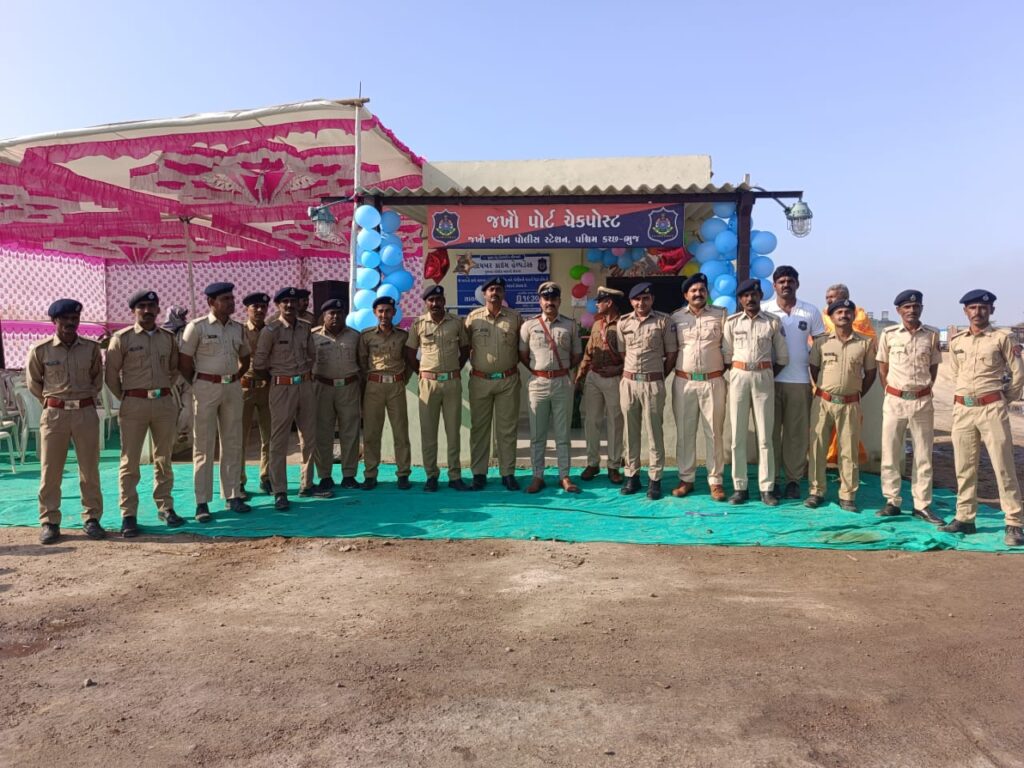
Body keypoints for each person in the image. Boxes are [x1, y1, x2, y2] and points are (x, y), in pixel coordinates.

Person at [940, 290, 1024, 546]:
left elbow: (1018, 374)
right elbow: (955, 373)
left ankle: (1014, 522)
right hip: (963, 410)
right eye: (973, 308)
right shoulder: (958, 341)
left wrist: (1003, 399)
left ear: (991, 311)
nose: (978, 312)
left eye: (983, 308)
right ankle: (965, 517)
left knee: (1003, 465)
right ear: (965, 311)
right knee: (964, 466)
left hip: (991, 409)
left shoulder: (1002, 338)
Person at [26, 299, 105, 544]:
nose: (71, 323)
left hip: (85, 412)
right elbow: (34, 383)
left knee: (89, 468)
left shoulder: (91, 349)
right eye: (66, 319)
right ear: (55, 321)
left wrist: (82, 398)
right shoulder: (41, 350)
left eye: (75, 318)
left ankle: (92, 518)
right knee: (50, 470)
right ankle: (50, 521)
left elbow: (97, 379)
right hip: (55, 415)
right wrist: (53, 402)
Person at [104, 290, 182, 537]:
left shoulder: (168, 338)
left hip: (163, 403)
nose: (147, 311)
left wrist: (163, 389)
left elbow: (174, 369)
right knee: (130, 461)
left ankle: (166, 507)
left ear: (158, 310)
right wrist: (127, 398)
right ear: (133, 311)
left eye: (151, 306)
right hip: (134, 404)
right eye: (142, 306)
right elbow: (111, 375)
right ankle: (128, 514)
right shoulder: (122, 338)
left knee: (164, 458)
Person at [179, 282, 252, 522]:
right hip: (205, 388)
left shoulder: (238, 328)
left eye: (232, 298)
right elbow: (184, 362)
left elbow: (245, 357)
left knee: (233, 441)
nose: (231, 302)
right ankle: (202, 502)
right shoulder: (196, 327)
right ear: (211, 302)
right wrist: (199, 383)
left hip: (232, 386)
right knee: (204, 445)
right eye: (225, 299)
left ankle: (233, 495)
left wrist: (235, 377)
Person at [875, 290, 944, 525]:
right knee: (890, 452)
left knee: (923, 454)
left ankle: (921, 504)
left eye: (916, 307)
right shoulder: (889, 334)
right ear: (899, 311)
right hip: (895, 400)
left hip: (922, 402)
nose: (912, 310)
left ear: (921, 308)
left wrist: (922, 389)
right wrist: (891, 391)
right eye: (907, 307)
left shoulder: (931, 335)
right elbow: (882, 367)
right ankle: (892, 501)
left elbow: (933, 368)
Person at [254, 286, 326, 510]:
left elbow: (312, 355)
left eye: (293, 302)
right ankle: (280, 491)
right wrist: (278, 379)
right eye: (285, 301)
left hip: (305, 385)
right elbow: (259, 364)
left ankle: (307, 484)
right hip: (281, 387)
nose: (290, 305)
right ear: (278, 305)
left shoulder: (305, 328)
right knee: (279, 440)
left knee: (309, 437)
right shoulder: (271, 330)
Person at [805, 298, 877, 512]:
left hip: (850, 404)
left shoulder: (865, 343)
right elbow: (814, 369)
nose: (844, 315)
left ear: (853, 316)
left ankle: (847, 495)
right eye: (839, 312)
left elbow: (870, 373)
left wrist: (855, 394)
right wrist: (827, 390)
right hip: (823, 402)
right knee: (817, 448)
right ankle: (816, 491)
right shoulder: (821, 342)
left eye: (847, 312)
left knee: (848, 450)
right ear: (832, 317)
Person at [722, 279, 788, 505]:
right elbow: (726, 355)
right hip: (738, 377)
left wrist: (765, 374)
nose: (750, 299)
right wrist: (742, 372)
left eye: (754, 294)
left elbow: (782, 357)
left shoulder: (772, 322)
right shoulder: (731, 323)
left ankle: (766, 488)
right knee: (737, 436)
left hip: (763, 378)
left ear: (760, 296)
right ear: (740, 299)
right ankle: (740, 487)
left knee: (765, 436)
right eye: (745, 295)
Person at [763, 265, 826, 498]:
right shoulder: (764, 310)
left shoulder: (810, 311)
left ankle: (793, 480)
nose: (786, 285)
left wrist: (818, 380)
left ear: (797, 284)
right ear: (774, 285)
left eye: (790, 281)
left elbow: (820, 347)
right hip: (768, 380)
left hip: (799, 381)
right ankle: (771, 480)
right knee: (769, 433)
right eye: (781, 281)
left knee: (796, 434)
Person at [519, 282, 583, 494]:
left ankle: (564, 476)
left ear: (559, 301)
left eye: (553, 298)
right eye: (546, 299)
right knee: (537, 435)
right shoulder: (529, 326)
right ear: (540, 301)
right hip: (538, 384)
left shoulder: (570, 325)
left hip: (562, 383)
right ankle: (538, 476)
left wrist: (560, 371)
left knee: (563, 434)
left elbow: (577, 354)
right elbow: (523, 355)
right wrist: (540, 371)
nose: (550, 302)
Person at [405, 284, 470, 492]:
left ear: (444, 301)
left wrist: (455, 368)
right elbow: (410, 352)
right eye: (431, 300)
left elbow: (465, 349)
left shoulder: (456, 323)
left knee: (453, 432)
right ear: (426, 303)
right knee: (428, 432)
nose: (435, 303)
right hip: (428, 384)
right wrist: (422, 372)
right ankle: (431, 475)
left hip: (452, 382)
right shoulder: (418, 324)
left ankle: (455, 476)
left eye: (438, 300)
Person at [668, 273, 728, 500]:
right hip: (684, 382)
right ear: (686, 295)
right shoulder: (675, 317)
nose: (698, 293)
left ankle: (716, 481)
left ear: (707, 293)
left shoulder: (720, 315)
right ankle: (686, 479)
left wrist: (720, 370)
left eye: (702, 289)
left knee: (714, 433)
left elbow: (728, 348)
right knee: (685, 432)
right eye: (693, 290)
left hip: (713, 381)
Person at [617, 282, 678, 500]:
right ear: (631, 301)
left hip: (652, 383)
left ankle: (655, 479)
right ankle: (632, 475)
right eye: (637, 299)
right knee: (630, 432)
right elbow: (623, 353)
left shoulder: (664, 321)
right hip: (629, 383)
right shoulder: (623, 322)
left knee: (654, 432)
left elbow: (671, 354)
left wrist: (659, 376)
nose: (641, 303)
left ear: (652, 300)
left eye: (646, 299)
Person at [465, 276, 523, 491]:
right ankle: (479, 474)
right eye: (491, 290)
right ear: (484, 294)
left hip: (508, 380)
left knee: (507, 429)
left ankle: (508, 473)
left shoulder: (515, 318)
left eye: (498, 289)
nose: (494, 293)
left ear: (503, 293)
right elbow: (464, 346)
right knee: (479, 429)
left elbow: (523, 348)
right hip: (480, 380)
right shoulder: (473, 318)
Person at [358, 296, 413, 490]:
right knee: (372, 433)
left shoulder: (403, 336)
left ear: (394, 313)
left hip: (396, 385)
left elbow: (409, 362)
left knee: (400, 432)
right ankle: (370, 474)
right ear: (375, 313)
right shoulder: (366, 336)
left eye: (388, 311)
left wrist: (402, 380)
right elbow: (362, 362)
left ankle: (403, 473)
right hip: (374, 386)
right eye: (380, 311)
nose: (384, 315)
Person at [311, 298, 362, 492]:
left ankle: (349, 475)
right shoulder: (313, 336)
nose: (335, 317)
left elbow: (362, 363)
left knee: (350, 432)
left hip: (348, 387)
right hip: (322, 387)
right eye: (331, 313)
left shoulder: (355, 336)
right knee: (323, 433)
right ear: (323, 316)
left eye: (339, 313)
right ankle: (325, 476)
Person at [575, 286, 625, 485]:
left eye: (599, 301)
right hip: (594, 377)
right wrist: (580, 375)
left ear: (609, 302)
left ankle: (613, 465)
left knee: (615, 422)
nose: (596, 304)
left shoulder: (624, 324)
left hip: (614, 378)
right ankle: (592, 463)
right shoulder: (597, 324)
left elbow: (631, 354)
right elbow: (589, 352)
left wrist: (618, 369)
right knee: (591, 421)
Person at [822, 283, 875, 465]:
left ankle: (844, 467)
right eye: (827, 298)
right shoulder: (823, 317)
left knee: (848, 432)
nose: (829, 301)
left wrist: (858, 393)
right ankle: (824, 464)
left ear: (845, 298)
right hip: (825, 385)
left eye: (833, 297)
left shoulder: (859, 317)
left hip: (850, 387)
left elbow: (866, 341)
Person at [240, 292, 272, 499]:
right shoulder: (239, 331)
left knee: (269, 436)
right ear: (247, 309)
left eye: (263, 307)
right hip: (244, 388)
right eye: (255, 307)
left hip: (268, 388)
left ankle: (266, 476)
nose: (260, 310)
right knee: (240, 437)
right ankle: (239, 481)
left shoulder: (272, 330)